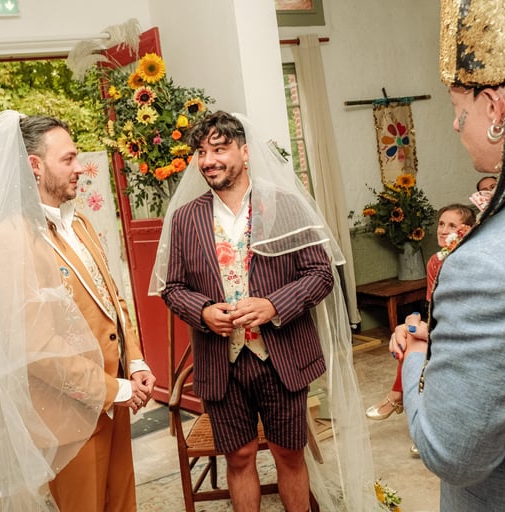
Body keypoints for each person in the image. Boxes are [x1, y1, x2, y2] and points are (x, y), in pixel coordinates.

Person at [389, 1, 505, 510]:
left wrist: (418, 353)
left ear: (496, 110)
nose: (456, 126)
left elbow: (453, 453)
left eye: (459, 109)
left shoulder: (489, 265)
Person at [150, 111, 374, 511]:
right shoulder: (185, 218)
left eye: (219, 149)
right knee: (238, 457)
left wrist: (273, 305)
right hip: (221, 362)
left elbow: (321, 274)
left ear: (245, 152)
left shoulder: (284, 206)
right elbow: (173, 288)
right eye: (201, 152)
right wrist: (203, 311)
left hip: (281, 357)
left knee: (289, 454)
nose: (208, 160)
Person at [0, 110, 155, 511]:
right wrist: (115, 389)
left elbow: (112, 298)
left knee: (123, 505)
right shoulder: (10, 239)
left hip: (113, 399)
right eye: (68, 159)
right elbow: (35, 347)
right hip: (67, 419)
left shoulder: (80, 223)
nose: (79, 167)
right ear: (35, 166)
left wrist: (134, 362)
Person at [365, 203, 475, 457]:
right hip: (440, 323)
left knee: (415, 338)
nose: (443, 230)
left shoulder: (469, 260)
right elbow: (432, 305)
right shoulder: (436, 261)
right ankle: (418, 418)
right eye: (441, 224)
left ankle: (398, 398)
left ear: (466, 230)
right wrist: (417, 323)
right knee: (409, 331)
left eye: (452, 225)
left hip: (463, 329)